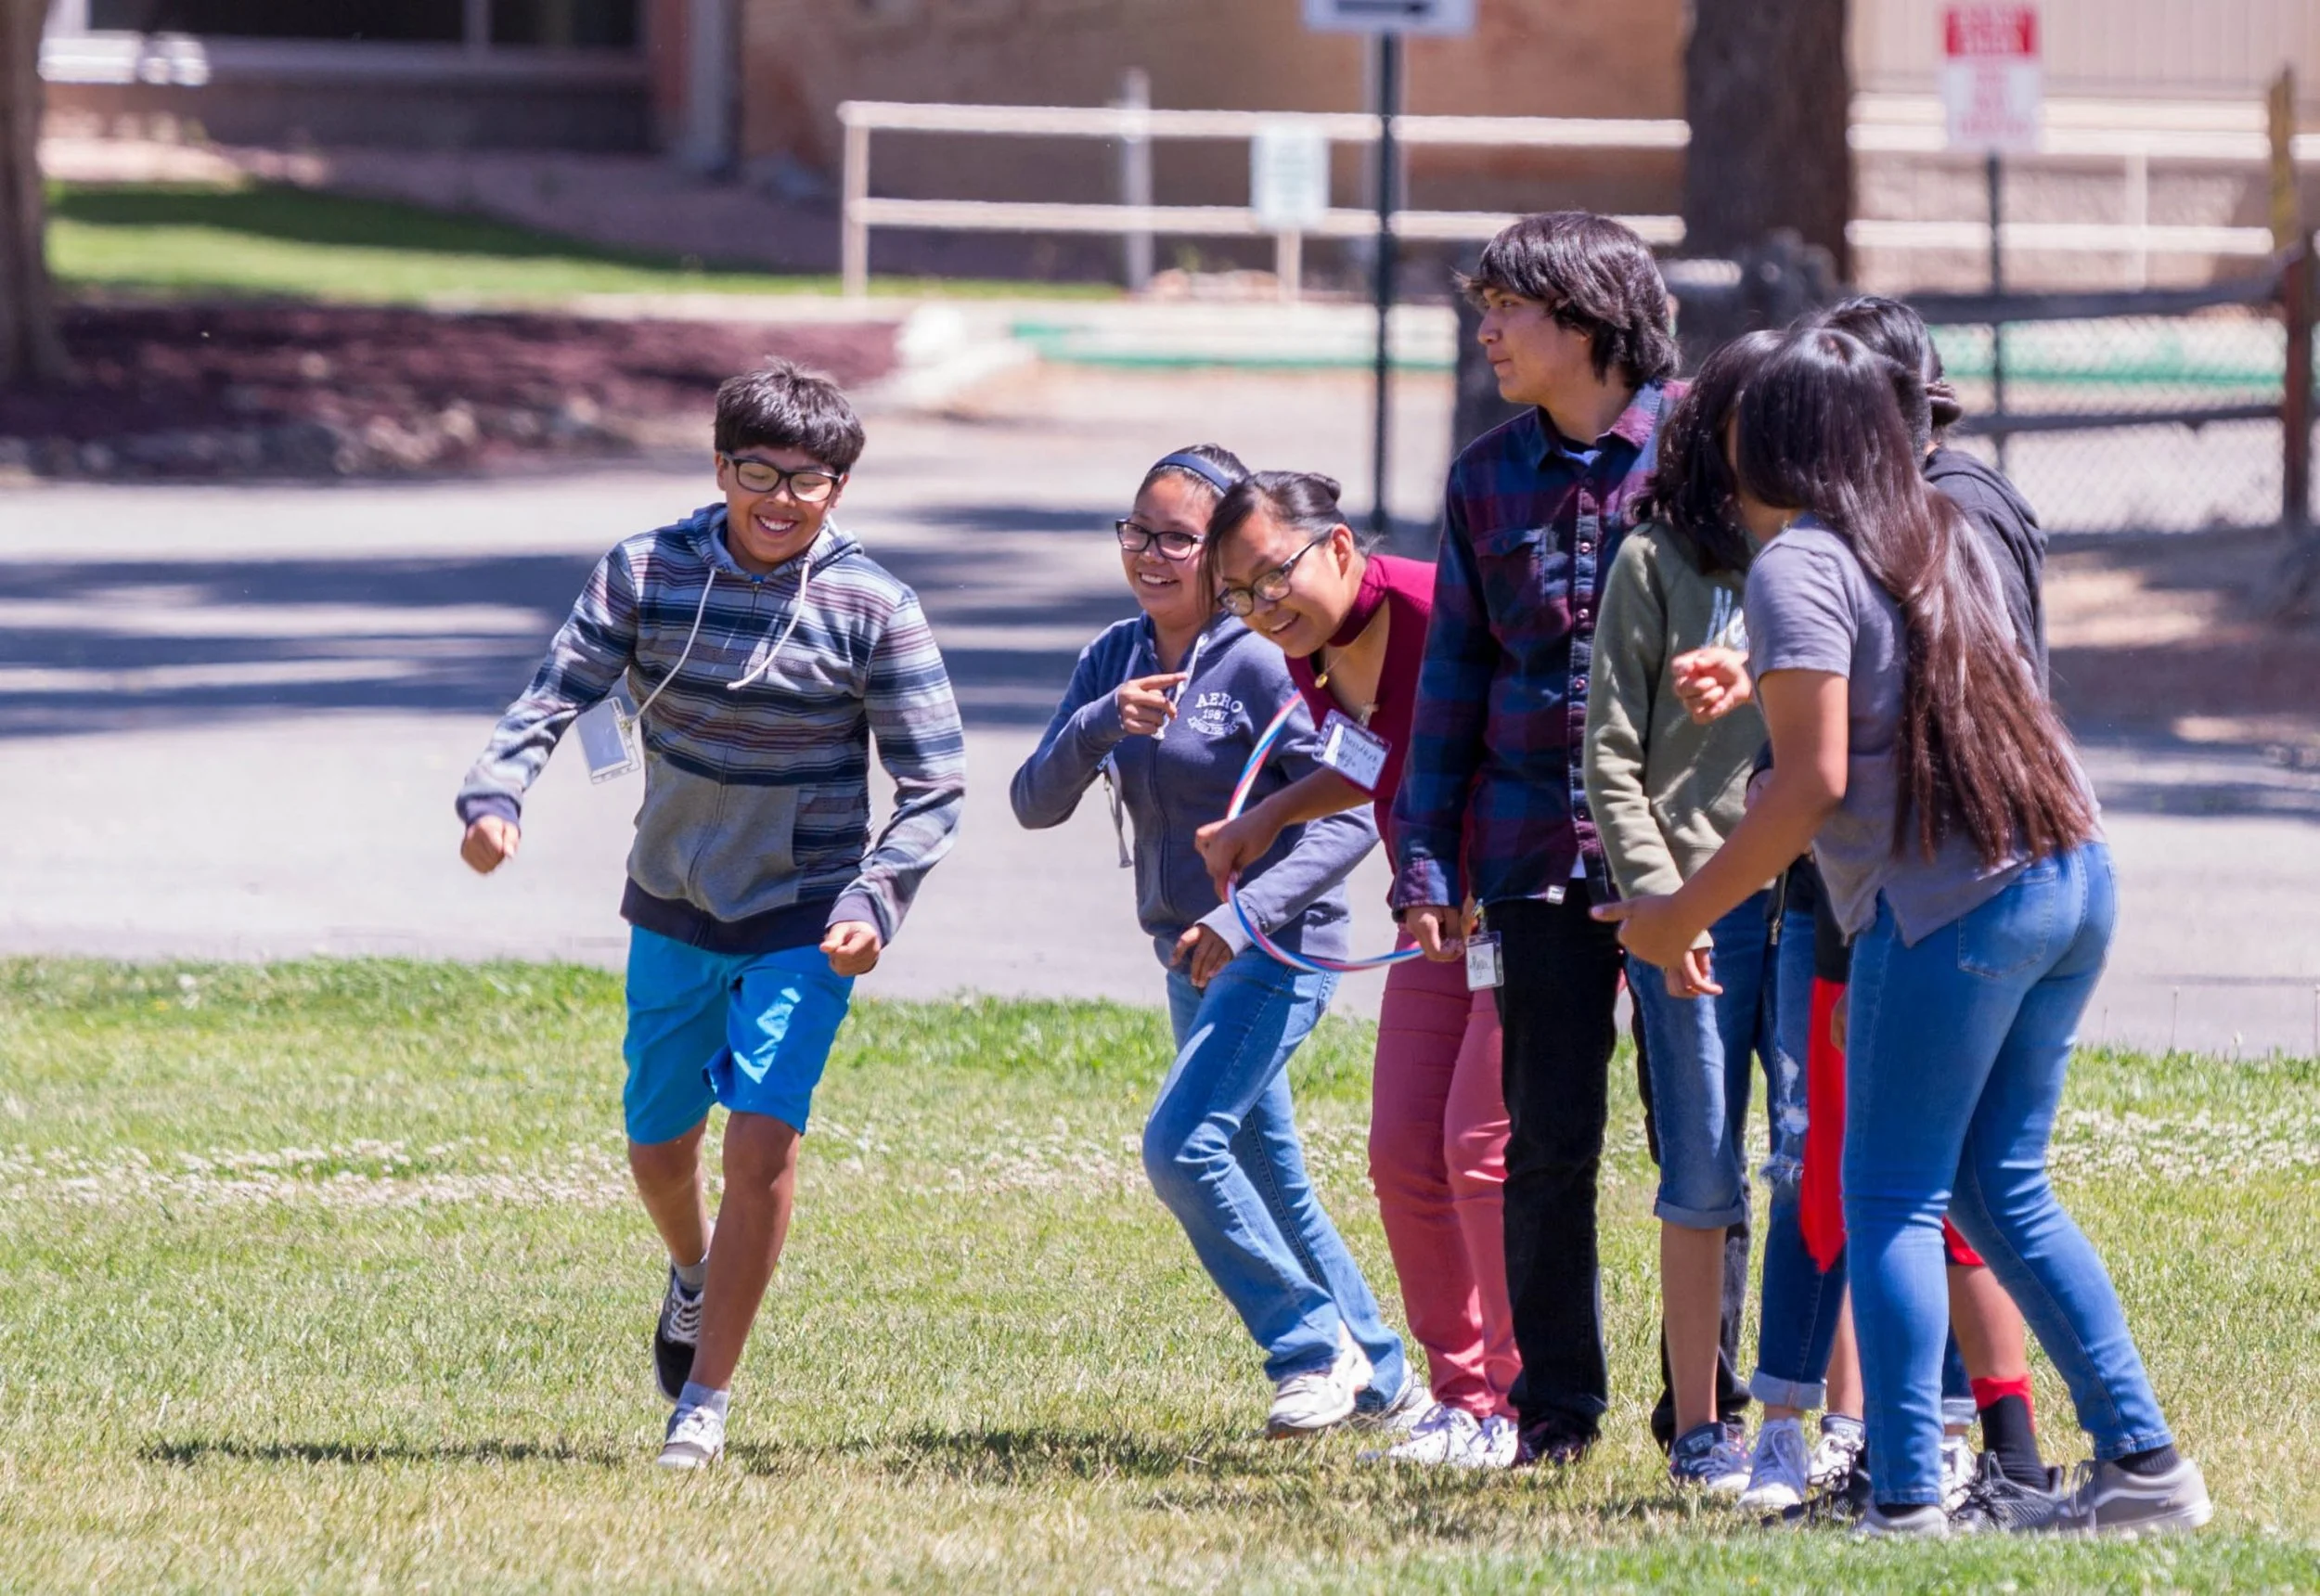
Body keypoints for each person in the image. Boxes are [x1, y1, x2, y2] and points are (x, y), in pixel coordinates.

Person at [1597, 325, 2210, 1538]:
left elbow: (1808, 782)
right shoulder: (1937, 531)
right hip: (2070, 876)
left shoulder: (1801, 560)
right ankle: (2143, 1466)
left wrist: (1677, 912)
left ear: (1764, 444)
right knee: (1998, 1185)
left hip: (1951, 905)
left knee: (1887, 1197)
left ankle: (1902, 1496)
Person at [455, 361, 967, 1470]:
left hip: (804, 917)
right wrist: (496, 794)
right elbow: (557, 691)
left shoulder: (874, 604)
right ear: (720, 463)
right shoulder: (646, 570)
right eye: (757, 472)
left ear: (841, 487)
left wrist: (876, 901)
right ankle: (688, 1273)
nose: (780, 499)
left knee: (763, 1143)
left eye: (809, 480)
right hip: (673, 903)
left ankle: (706, 1402)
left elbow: (934, 783)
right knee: (655, 1147)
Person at [1679, 295, 2056, 1508]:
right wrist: (1764, 669)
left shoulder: (1951, 515)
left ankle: (1938, 1459)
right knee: (1881, 1174)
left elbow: (1916, 704)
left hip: (1922, 895)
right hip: (1878, 894)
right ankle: (1967, 1452)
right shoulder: (1878, 527)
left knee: (1905, 1187)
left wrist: (1681, 904)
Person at [1010, 446, 1420, 1439]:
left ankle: (1308, 1345)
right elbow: (1032, 802)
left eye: (1178, 539)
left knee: (1182, 1146)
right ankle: (1383, 1370)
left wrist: (1244, 915)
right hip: (1185, 953)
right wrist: (1100, 724)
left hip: (1276, 948)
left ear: (1227, 549)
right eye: (1136, 533)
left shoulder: (1267, 656)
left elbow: (1349, 813)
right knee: (1265, 1164)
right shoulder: (1114, 655)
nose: (1152, 556)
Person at [1390, 211, 1699, 1466]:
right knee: (1542, 1140)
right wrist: (1426, 862)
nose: (1488, 331)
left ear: (1585, 320)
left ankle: (1705, 1413)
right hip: (1531, 864)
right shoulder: (1484, 477)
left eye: (1510, 308)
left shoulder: (1704, 459)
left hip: (1690, 866)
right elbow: (1452, 684)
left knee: (1695, 1137)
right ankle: (1554, 1415)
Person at [1195, 470, 1518, 1469]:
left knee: (1478, 1151)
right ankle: (1456, 1397)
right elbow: (1374, 754)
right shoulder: (1314, 648)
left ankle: (1518, 1400)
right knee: (1399, 1155)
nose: (1262, 608)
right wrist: (1265, 816)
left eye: (1271, 575)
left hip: (1515, 912)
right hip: (1428, 918)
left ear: (1337, 547)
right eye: (1239, 596)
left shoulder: (1437, 607)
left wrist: (1490, 877)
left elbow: (1534, 742)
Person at [1580, 330, 1830, 1494]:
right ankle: (1698, 1424)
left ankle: (1819, 1419)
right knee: (1700, 1170)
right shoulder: (1652, 559)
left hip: (1815, 898)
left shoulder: (1834, 559)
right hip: (1690, 909)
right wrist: (1658, 904)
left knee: (1810, 1154)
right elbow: (1611, 754)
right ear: (1720, 432)